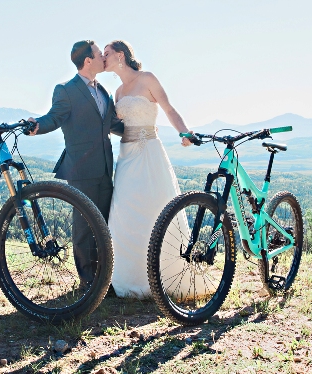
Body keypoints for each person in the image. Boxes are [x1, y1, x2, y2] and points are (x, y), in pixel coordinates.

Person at [103, 40, 204, 298]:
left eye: (106, 53)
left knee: (155, 209)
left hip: (149, 153)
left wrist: (184, 132)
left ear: (120, 55)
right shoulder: (117, 93)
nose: (103, 58)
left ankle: (163, 276)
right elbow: (119, 126)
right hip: (126, 157)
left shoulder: (147, 79)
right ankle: (126, 278)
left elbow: (169, 109)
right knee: (124, 214)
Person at [28, 40, 124, 288]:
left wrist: (140, 131)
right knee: (83, 228)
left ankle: (103, 280)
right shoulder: (66, 90)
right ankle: (87, 283)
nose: (104, 58)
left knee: (103, 225)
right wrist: (36, 126)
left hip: (105, 168)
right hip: (81, 169)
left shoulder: (103, 91)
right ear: (88, 61)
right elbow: (54, 118)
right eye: (98, 54)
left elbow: (111, 124)